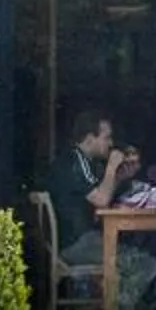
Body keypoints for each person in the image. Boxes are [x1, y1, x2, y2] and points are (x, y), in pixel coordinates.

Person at [41, 110, 136, 267]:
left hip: (81, 240)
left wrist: (119, 178)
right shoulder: (74, 164)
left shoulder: (82, 161)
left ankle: (114, 291)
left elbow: (100, 195)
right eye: (106, 138)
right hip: (76, 244)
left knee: (137, 255)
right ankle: (117, 292)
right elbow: (102, 200)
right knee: (139, 261)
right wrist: (112, 166)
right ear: (90, 139)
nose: (111, 144)